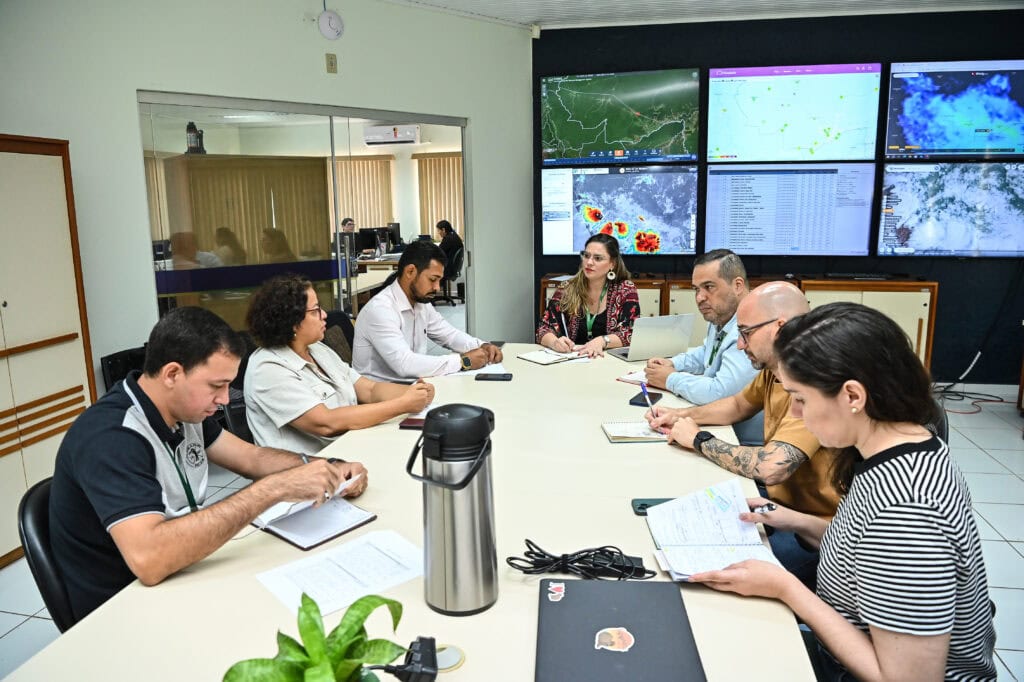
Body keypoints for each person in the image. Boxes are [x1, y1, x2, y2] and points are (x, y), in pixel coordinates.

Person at [689, 303, 996, 681]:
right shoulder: (898, 448)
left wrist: (785, 587)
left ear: (853, 396)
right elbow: (862, 545)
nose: (797, 414)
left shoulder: (907, 507)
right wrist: (795, 520)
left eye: (800, 398)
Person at [49, 307, 368, 621]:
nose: (226, 400)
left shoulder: (181, 410)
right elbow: (149, 558)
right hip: (124, 608)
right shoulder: (112, 437)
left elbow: (252, 458)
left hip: (182, 571)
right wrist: (274, 489)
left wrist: (329, 467)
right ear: (172, 373)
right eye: (217, 386)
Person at [647, 281, 839, 587]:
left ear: (780, 327)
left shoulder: (814, 383)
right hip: (779, 508)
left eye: (746, 333)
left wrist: (698, 439)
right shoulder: (773, 368)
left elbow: (770, 466)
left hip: (812, 536)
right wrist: (679, 416)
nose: (739, 344)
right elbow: (738, 404)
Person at [244, 274, 434, 452]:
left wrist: (416, 393)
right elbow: (326, 423)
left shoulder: (317, 349)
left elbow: (369, 389)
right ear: (292, 321)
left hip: (347, 449)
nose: (324, 315)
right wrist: (403, 404)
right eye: (316, 310)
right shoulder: (268, 368)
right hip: (306, 471)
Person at [643, 249, 762, 445]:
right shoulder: (722, 315)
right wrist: (672, 362)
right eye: (696, 289)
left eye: (709, 287)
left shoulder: (751, 328)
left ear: (738, 285)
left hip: (744, 443)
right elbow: (706, 354)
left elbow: (720, 393)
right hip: (721, 430)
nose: (700, 297)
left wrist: (669, 379)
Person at [352, 240, 502, 382]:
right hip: (381, 396)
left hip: (412, 386)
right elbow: (405, 364)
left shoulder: (421, 303)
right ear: (410, 271)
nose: (437, 287)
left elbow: (449, 335)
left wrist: (482, 346)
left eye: (439, 280)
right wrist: (464, 361)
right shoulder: (381, 310)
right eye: (432, 279)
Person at [536, 233, 640, 358]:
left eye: (597, 258)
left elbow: (631, 333)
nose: (589, 262)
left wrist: (602, 341)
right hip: (572, 361)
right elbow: (543, 329)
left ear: (612, 264)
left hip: (608, 361)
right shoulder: (567, 289)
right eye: (586, 256)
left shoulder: (625, 290)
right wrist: (554, 342)